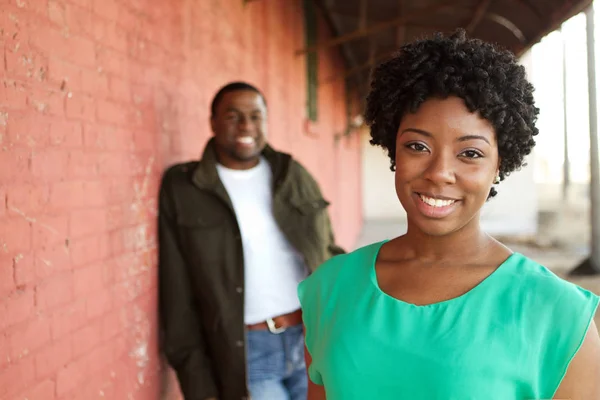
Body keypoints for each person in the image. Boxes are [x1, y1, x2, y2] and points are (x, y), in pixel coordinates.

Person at [298, 30, 600, 400]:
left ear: (498, 165)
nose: (439, 172)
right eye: (417, 146)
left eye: (470, 153)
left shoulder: (557, 312)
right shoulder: (329, 289)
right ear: (394, 149)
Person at [158, 81, 344, 400]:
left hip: (312, 339)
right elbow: (177, 295)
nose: (246, 126)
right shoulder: (185, 188)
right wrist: (199, 386)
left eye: (256, 116)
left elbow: (328, 251)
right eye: (233, 116)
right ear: (213, 122)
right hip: (249, 354)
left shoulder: (291, 173)